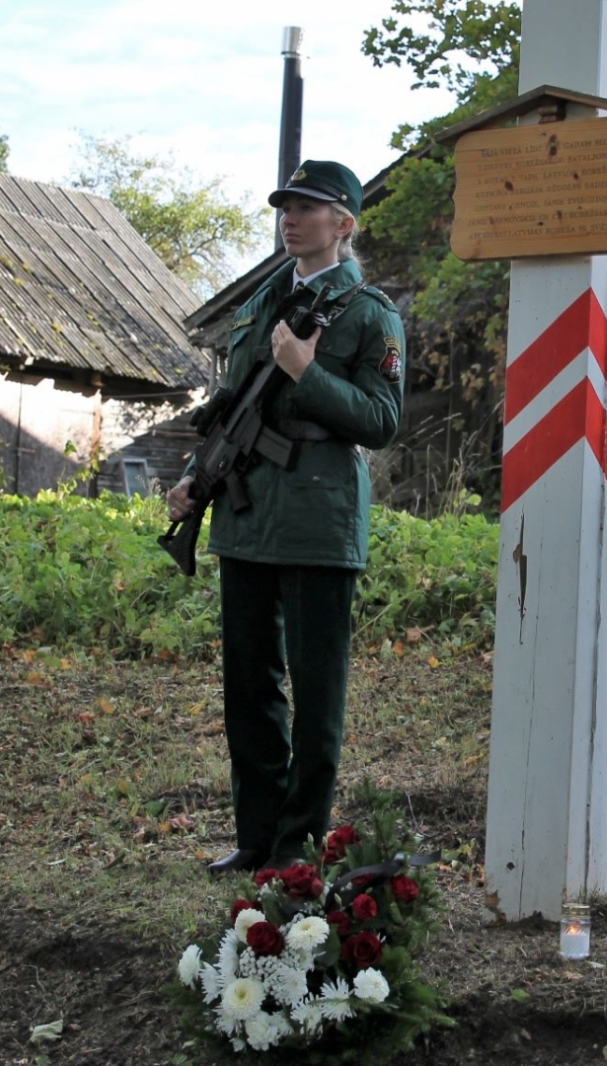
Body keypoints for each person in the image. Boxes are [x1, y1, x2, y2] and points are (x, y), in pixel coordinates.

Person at [165, 160, 405, 875]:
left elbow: (384, 420)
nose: (291, 217)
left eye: (307, 207)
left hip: (319, 520)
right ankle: (257, 836)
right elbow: (231, 409)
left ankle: (298, 845)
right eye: (286, 206)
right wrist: (190, 480)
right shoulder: (258, 303)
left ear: (344, 224)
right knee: (249, 686)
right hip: (245, 513)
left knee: (316, 693)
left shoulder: (367, 311)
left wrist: (309, 370)